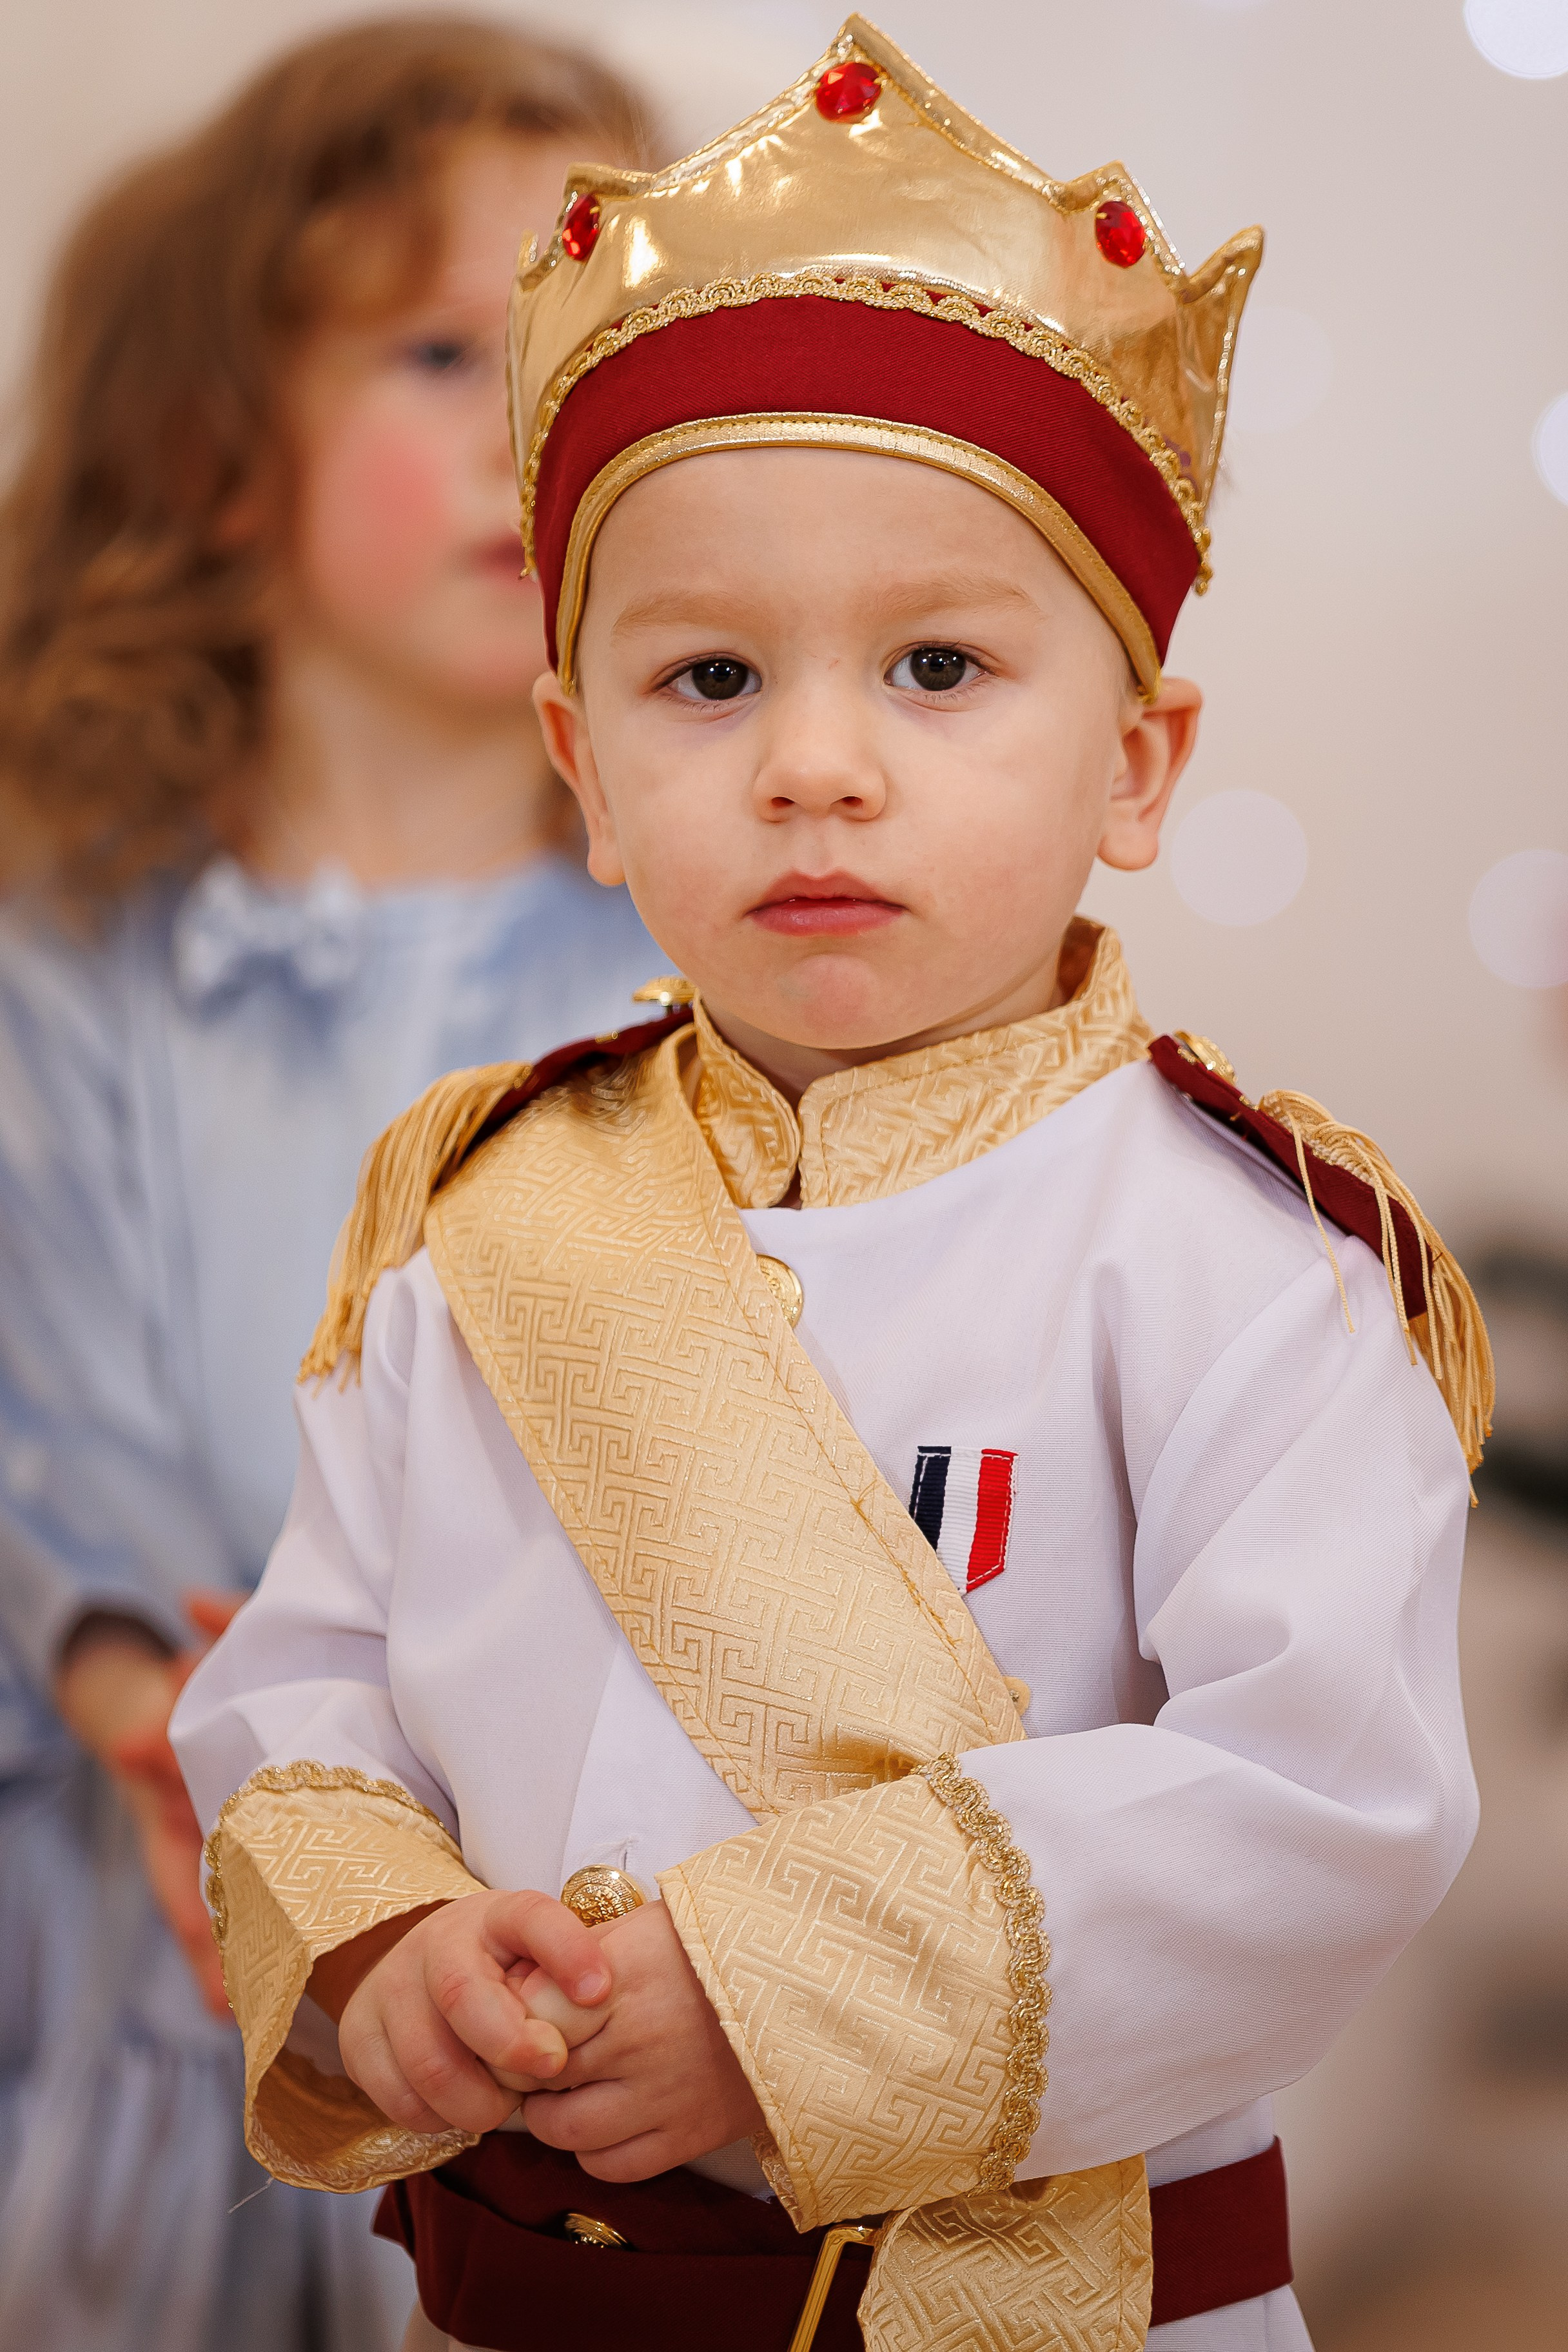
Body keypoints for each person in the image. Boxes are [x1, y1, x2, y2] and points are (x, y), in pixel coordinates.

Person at [172, 19, 1494, 2352]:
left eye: (936, 664)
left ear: (1138, 757)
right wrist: (384, 1951)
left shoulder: (1246, 1270)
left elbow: (1319, 1803)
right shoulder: (470, 1228)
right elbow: (308, 1687)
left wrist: (772, 1997)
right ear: (580, 762)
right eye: (705, 679)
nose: (811, 766)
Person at [0, 19, 660, 2351]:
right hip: (148, 1940)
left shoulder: (713, 959)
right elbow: (34, 1393)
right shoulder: (68, 957)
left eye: (592, 356)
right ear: (215, 445)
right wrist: (137, 1712)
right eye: (436, 353)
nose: (533, 428)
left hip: (591, 1924)